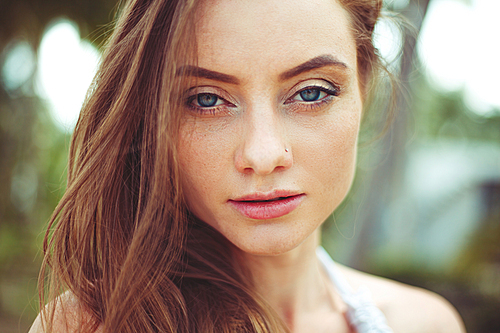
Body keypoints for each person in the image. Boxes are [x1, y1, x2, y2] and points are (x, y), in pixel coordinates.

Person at [29, 0, 466, 332]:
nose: (263, 154)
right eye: (206, 100)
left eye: (312, 93)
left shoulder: (424, 322)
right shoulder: (91, 325)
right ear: (153, 118)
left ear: (363, 91)